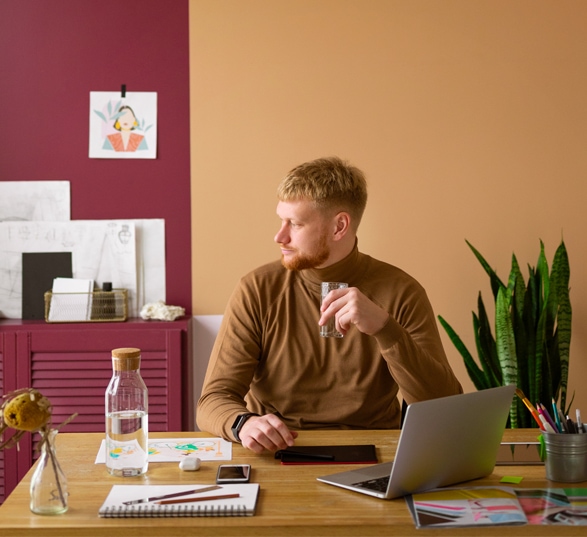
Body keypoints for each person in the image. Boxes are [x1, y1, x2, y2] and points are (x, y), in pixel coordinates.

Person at [197, 156, 462, 454]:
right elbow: (212, 401)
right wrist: (243, 423)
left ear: (339, 226)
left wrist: (386, 330)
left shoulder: (402, 292)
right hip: (279, 451)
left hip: (375, 454)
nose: (279, 236)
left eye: (295, 224)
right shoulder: (257, 289)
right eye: (281, 220)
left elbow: (443, 410)